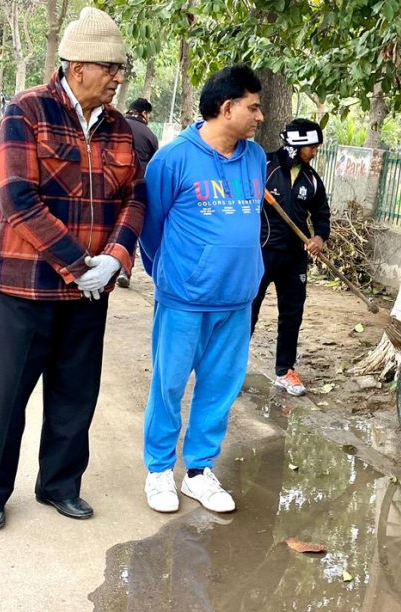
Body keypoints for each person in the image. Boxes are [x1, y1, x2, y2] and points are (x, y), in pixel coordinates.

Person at [0, 7, 144, 530]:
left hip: (88, 293)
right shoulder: (26, 111)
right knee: (5, 397)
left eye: (122, 69)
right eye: (111, 68)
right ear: (78, 67)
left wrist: (115, 260)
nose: (119, 78)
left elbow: (135, 200)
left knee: (76, 394)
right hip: (24, 287)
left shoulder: (121, 129)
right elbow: (17, 199)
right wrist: (79, 264)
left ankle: (59, 485)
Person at [138, 65, 266, 514]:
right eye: (253, 107)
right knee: (169, 385)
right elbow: (150, 229)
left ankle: (197, 471)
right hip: (184, 301)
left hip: (237, 300)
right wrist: (174, 278)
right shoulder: (173, 158)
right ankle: (158, 469)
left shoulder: (256, 158)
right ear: (226, 108)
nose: (260, 116)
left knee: (219, 388)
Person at [250, 118, 330, 397]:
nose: (315, 151)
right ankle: (231, 369)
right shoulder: (264, 167)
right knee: (248, 310)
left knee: (292, 315)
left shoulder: (312, 180)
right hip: (261, 253)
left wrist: (319, 237)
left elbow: (322, 215)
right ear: (296, 145)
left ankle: (285, 371)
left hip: (295, 256)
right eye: (312, 146)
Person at [118, 97, 159, 289]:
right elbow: (153, 166)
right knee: (129, 228)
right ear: (145, 113)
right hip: (135, 189)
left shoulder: (114, 124)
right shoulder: (149, 135)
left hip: (110, 185)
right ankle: (124, 269)